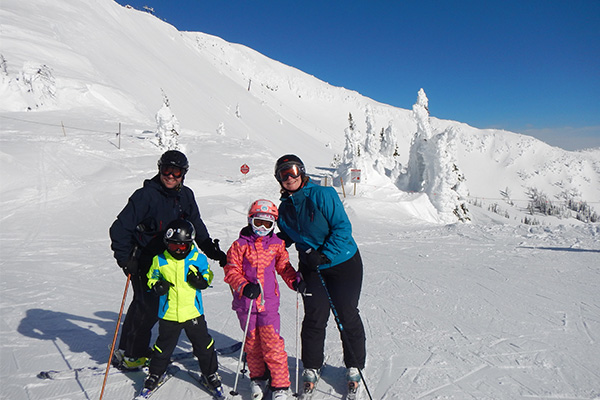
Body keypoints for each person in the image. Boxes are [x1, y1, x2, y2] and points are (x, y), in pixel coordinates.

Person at [109, 150, 227, 369]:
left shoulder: (186, 196)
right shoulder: (145, 196)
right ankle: (133, 355)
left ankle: (128, 348)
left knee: (147, 306)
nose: (171, 176)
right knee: (148, 307)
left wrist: (211, 249)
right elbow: (119, 229)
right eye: (167, 170)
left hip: (175, 261)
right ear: (159, 169)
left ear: (184, 174)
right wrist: (126, 260)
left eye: (177, 172)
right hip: (147, 261)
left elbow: (196, 225)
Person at [273, 154, 366, 395]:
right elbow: (289, 236)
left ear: (302, 171)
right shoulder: (285, 209)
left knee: (346, 314)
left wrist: (324, 255)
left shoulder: (323, 195)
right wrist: (262, 241)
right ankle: (312, 366)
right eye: (283, 174)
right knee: (314, 316)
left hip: (343, 262)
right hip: (312, 267)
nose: (289, 177)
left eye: (293, 171)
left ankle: (354, 366)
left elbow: (343, 228)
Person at [224, 199, 302, 400]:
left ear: (273, 225)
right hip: (246, 304)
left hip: (268, 304)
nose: (262, 228)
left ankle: (280, 386)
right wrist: (243, 285)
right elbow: (231, 269)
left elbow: (283, 266)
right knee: (252, 344)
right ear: (250, 220)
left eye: (267, 224)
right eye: (258, 222)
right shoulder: (239, 245)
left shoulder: (276, 244)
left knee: (273, 344)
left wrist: (294, 281)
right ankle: (257, 378)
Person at [142, 219, 224, 396]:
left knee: (204, 345)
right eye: (173, 247)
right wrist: (156, 285)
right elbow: (151, 277)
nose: (178, 250)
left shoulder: (197, 258)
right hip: (169, 313)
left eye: (182, 247)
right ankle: (155, 373)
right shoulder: (160, 259)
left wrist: (202, 282)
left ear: (190, 244)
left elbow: (207, 274)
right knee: (163, 347)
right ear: (167, 244)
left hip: (193, 312)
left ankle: (210, 373)